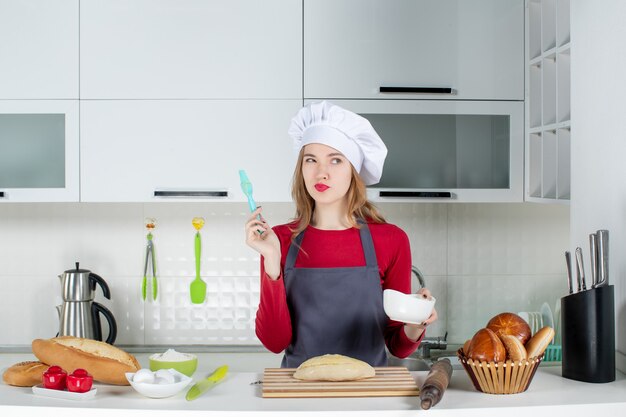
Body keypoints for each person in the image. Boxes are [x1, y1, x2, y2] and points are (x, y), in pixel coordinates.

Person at [245, 101, 437, 368]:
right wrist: (271, 262)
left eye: (335, 160)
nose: (321, 172)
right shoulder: (278, 240)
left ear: (353, 171)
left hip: (366, 396)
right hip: (300, 394)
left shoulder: (391, 240)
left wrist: (417, 322)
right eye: (311, 160)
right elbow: (275, 342)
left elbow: (398, 346)